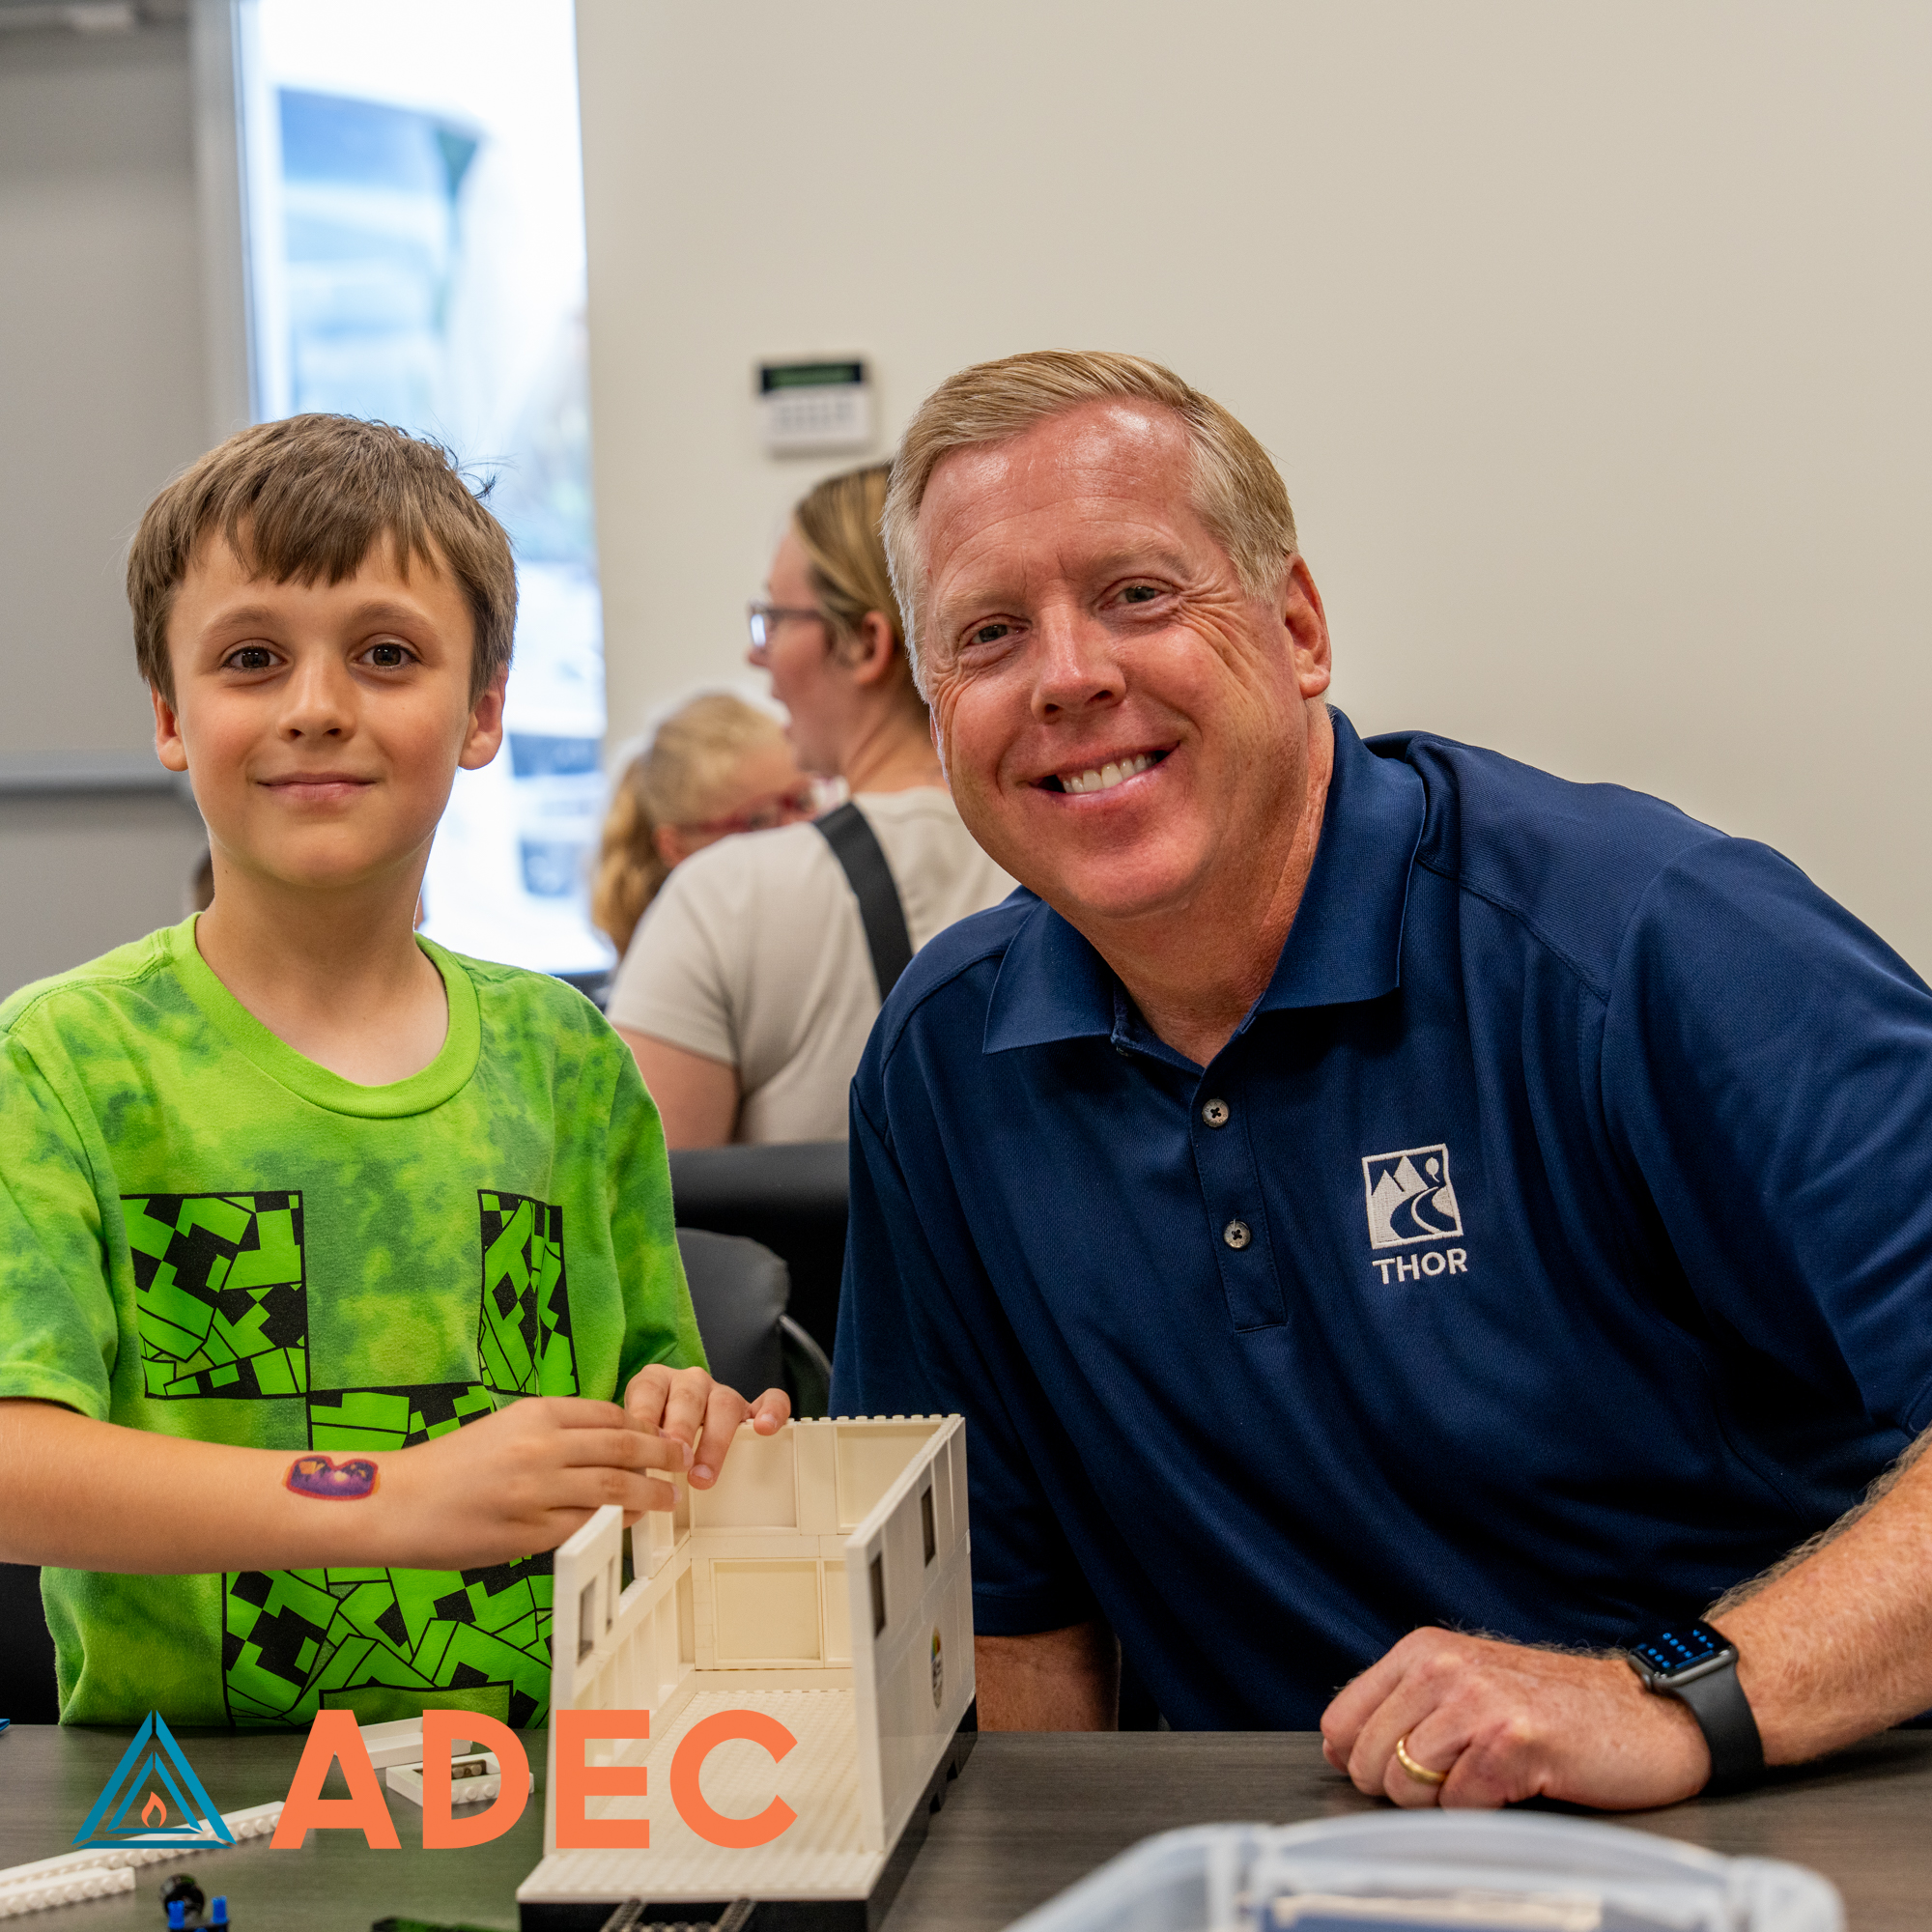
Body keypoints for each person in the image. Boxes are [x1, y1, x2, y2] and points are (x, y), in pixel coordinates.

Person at [830, 351, 1932, 1810]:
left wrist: (1666, 1695)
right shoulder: (943, 1066)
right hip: (1280, 1871)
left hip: (1771, 1823)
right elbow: (1012, 1624)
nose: (1069, 675)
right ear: (934, 710)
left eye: (1137, 594)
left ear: (1297, 628)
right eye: (987, 634)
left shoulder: (1642, 938)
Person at [0, 415, 786, 1727]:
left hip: (542, 1782)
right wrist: (383, 1495)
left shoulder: (569, 1063)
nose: (317, 706)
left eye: (385, 655)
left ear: (482, 713)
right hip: (191, 1803)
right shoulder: (62, 1063)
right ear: (170, 715)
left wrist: (684, 1419)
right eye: (251, 658)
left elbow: (642, 1411)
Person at [607, 463, 1013, 1146]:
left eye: (774, 618)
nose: (756, 654)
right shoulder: (1065, 860)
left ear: (866, 645)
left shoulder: (725, 900)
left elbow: (639, 1196)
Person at [590, 692, 815, 959]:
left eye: (803, 801)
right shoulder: (682, 958)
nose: (797, 830)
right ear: (676, 847)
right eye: (757, 820)